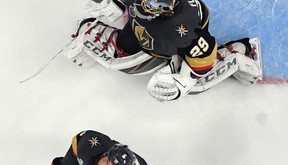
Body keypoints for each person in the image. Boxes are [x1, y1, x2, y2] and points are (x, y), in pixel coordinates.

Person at [64, 0, 262, 101]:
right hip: (142, 30)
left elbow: (205, 51)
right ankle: (95, 30)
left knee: (194, 82)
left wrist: (187, 78)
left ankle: (238, 52)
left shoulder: (181, 30)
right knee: (123, 53)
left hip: (177, 43)